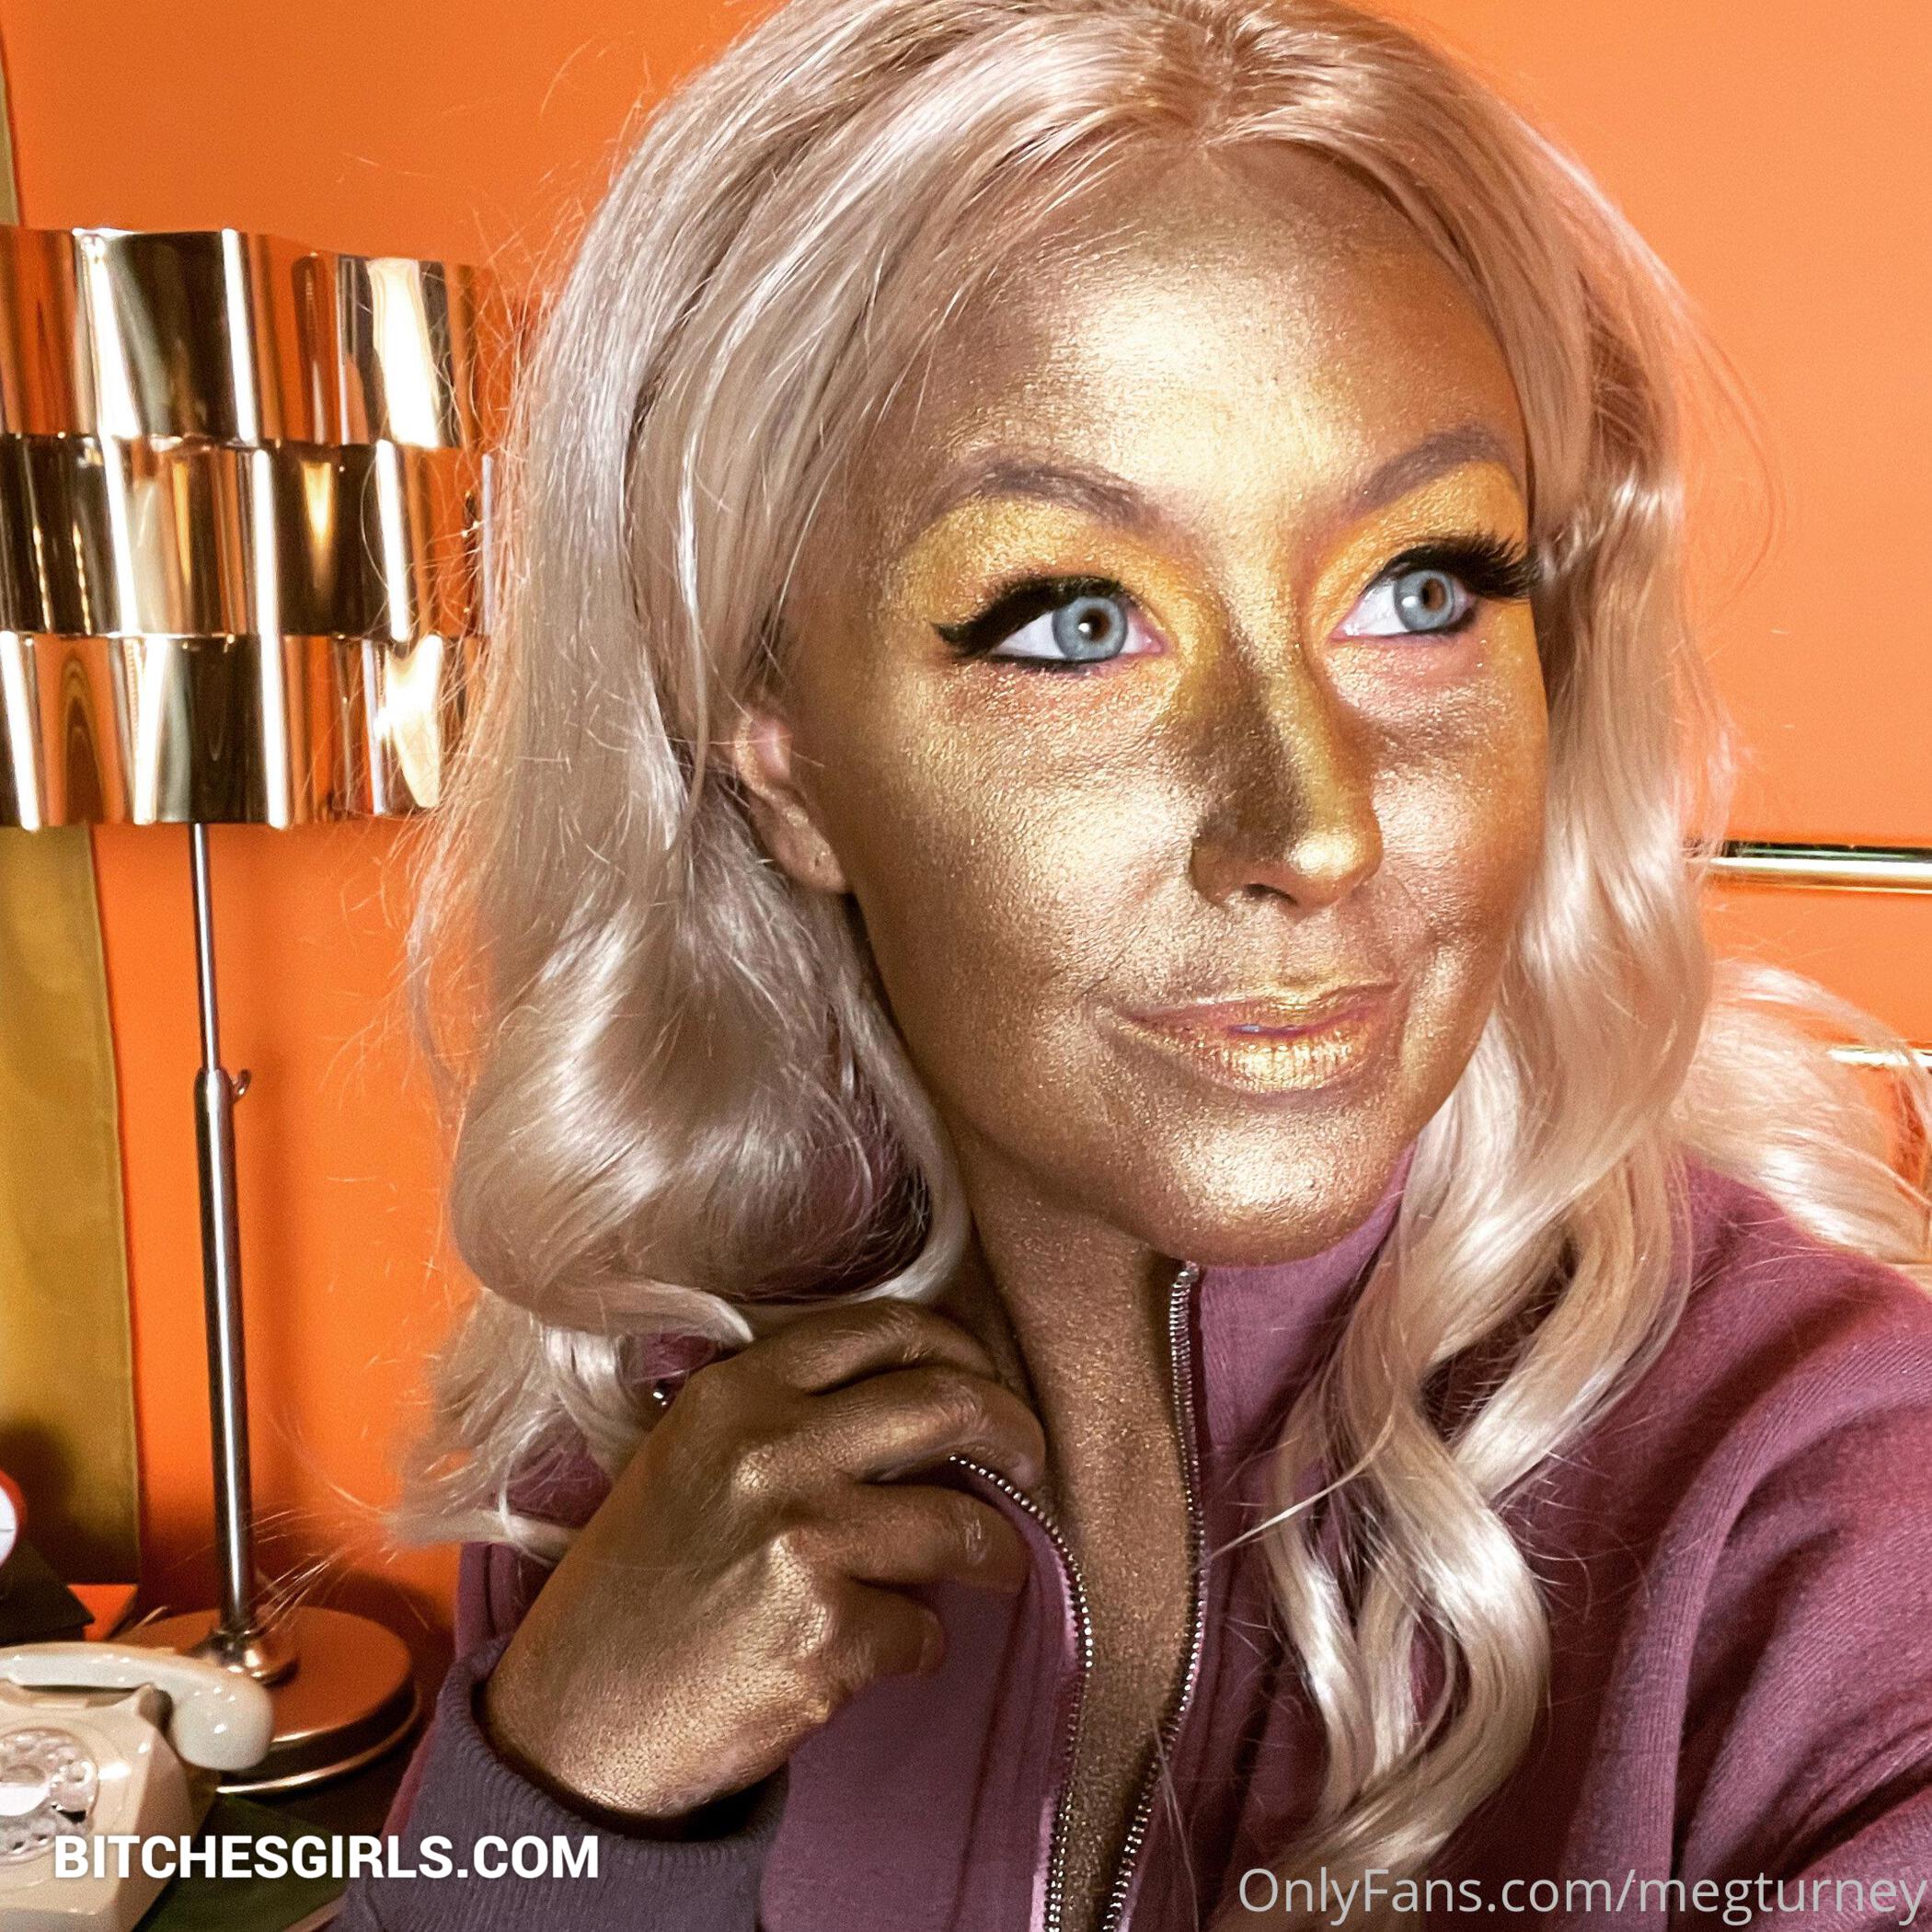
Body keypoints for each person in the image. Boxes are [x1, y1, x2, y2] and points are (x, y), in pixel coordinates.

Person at [338, 0, 1932, 1926]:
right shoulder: (656, 1445)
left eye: (1424, 589)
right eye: (1073, 620)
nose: (1315, 830)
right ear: (779, 745)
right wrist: (562, 1789)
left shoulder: (1840, 1515)